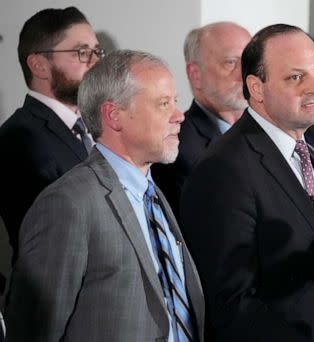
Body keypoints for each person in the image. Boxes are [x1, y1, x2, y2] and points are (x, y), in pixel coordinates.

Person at [5, 50, 205, 342]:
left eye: (174, 102)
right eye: (163, 104)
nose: (178, 115)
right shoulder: (68, 204)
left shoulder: (154, 194)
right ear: (114, 116)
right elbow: (33, 330)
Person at [180, 24, 314, 342]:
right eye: (296, 77)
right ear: (256, 88)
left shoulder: (309, 152)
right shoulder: (223, 169)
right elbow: (232, 304)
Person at [0, 7, 101, 262]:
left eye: (97, 51)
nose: (95, 61)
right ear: (39, 66)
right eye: (82, 52)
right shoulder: (18, 138)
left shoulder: (95, 127)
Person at [151, 22, 251, 214]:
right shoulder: (175, 148)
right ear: (195, 74)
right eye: (230, 63)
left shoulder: (265, 135)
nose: (243, 74)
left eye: (247, 63)